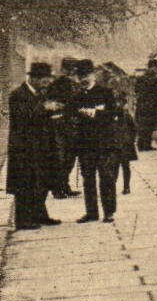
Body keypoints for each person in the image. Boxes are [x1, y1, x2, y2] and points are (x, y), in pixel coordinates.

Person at [6, 62, 64, 230]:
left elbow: (39, 115)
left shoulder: (39, 95)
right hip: (24, 147)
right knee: (25, 183)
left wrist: (52, 113)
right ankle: (23, 220)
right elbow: (23, 117)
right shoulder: (18, 95)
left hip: (40, 145)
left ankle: (40, 214)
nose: (47, 84)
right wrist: (44, 108)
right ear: (34, 79)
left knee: (41, 181)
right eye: (45, 80)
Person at [70, 59, 122, 222]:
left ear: (93, 75)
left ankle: (109, 212)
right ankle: (91, 212)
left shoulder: (105, 93)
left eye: (85, 75)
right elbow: (70, 115)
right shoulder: (77, 96)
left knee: (106, 177)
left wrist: (95, 114)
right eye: (80, 76)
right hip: (85, 144)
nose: (83, 79)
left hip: (104, 143)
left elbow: (114, 114)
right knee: (88, 179)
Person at [45, 58, 80, 198]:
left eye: (74, 70)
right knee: (60, 157)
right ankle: (56, 188)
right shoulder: (56, 84)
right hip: (59, 125)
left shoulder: (74, 84)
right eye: (70, 69)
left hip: (71, 124)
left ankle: (65, 185)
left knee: (70, 156)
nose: (72, 72)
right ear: (65, 69)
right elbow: (50, 103)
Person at [133, 57, 157, 150]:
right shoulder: (153, 78)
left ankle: (141, 145)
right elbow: (156, 90)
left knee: (143, 125)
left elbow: (136, 90)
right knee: (148, 125)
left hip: (141, 103)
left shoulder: (141, 77)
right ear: (152, 67)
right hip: (150, 105)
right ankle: (146, 146)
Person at [113, 92, 139, 194]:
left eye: (121, 103)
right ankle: (113, 186)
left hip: (124, 145)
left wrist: (131, 140)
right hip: (116, 144)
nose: (118, 105)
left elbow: (134, 128)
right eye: (116, 103)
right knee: (115, 167)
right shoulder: (111, 116)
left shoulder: (127, 116)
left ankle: (126, 186)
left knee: (124, 166)